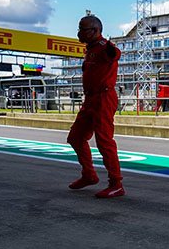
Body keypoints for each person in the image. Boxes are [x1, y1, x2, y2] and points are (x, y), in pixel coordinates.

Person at [67, 13, 125, 198]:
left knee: (104, 141)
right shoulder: (90, 49)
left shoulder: (104, 47)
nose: (79, 33)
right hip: (90, 99)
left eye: (82, 29)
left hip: (104, 98)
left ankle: (116, 184)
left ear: (95, 31)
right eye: (79, 29)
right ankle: (89, 175)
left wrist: (109, 48)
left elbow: (114, 54)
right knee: (75, 137)